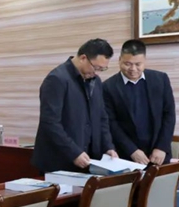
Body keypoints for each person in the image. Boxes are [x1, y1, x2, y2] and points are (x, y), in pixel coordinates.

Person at [32, 38, 118, 173]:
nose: (97, 73)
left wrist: (108, 146)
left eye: (102, 69)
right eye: (96, 68)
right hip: (59, 162)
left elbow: (101, 118)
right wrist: (74, 152)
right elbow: (50, 123)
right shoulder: (57, 79)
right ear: (83, 58)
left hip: (87, 161)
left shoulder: (96, 82)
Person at [103, 39, 176, 164]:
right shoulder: (108, 87)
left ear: (145, 61)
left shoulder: (160, 79)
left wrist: (162, 147)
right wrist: (132, 150)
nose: (133, 69)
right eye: (127, 64)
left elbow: (169, 114)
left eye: (138, 64)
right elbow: (111, 123)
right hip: (126, 155)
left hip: (159, 154)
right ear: (119, 60)